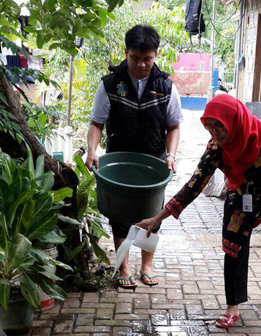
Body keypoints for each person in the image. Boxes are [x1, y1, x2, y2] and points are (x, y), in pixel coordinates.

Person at [136, 94, 261, 328]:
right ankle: (233, 306)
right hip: (241, 194)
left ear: (233, 121)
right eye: (210, 127)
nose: (215, 132)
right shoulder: (216, 148)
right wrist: (158, 218)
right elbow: (194, 185)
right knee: (233, 247)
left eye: (219, 126)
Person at [85, 25, 183, 290]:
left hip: (154, 161)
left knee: (152, 213)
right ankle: (124, 266)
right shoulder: (110, 84)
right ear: (126, 53)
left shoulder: (165, 87)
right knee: (120, 214)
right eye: (135, 58)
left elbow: (173, 126)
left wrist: (171, 155)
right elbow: (96, 123)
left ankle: (147, 265)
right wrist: (92, 150)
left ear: (155, 55)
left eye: (147, 59)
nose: (141, 64)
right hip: (119, 161)